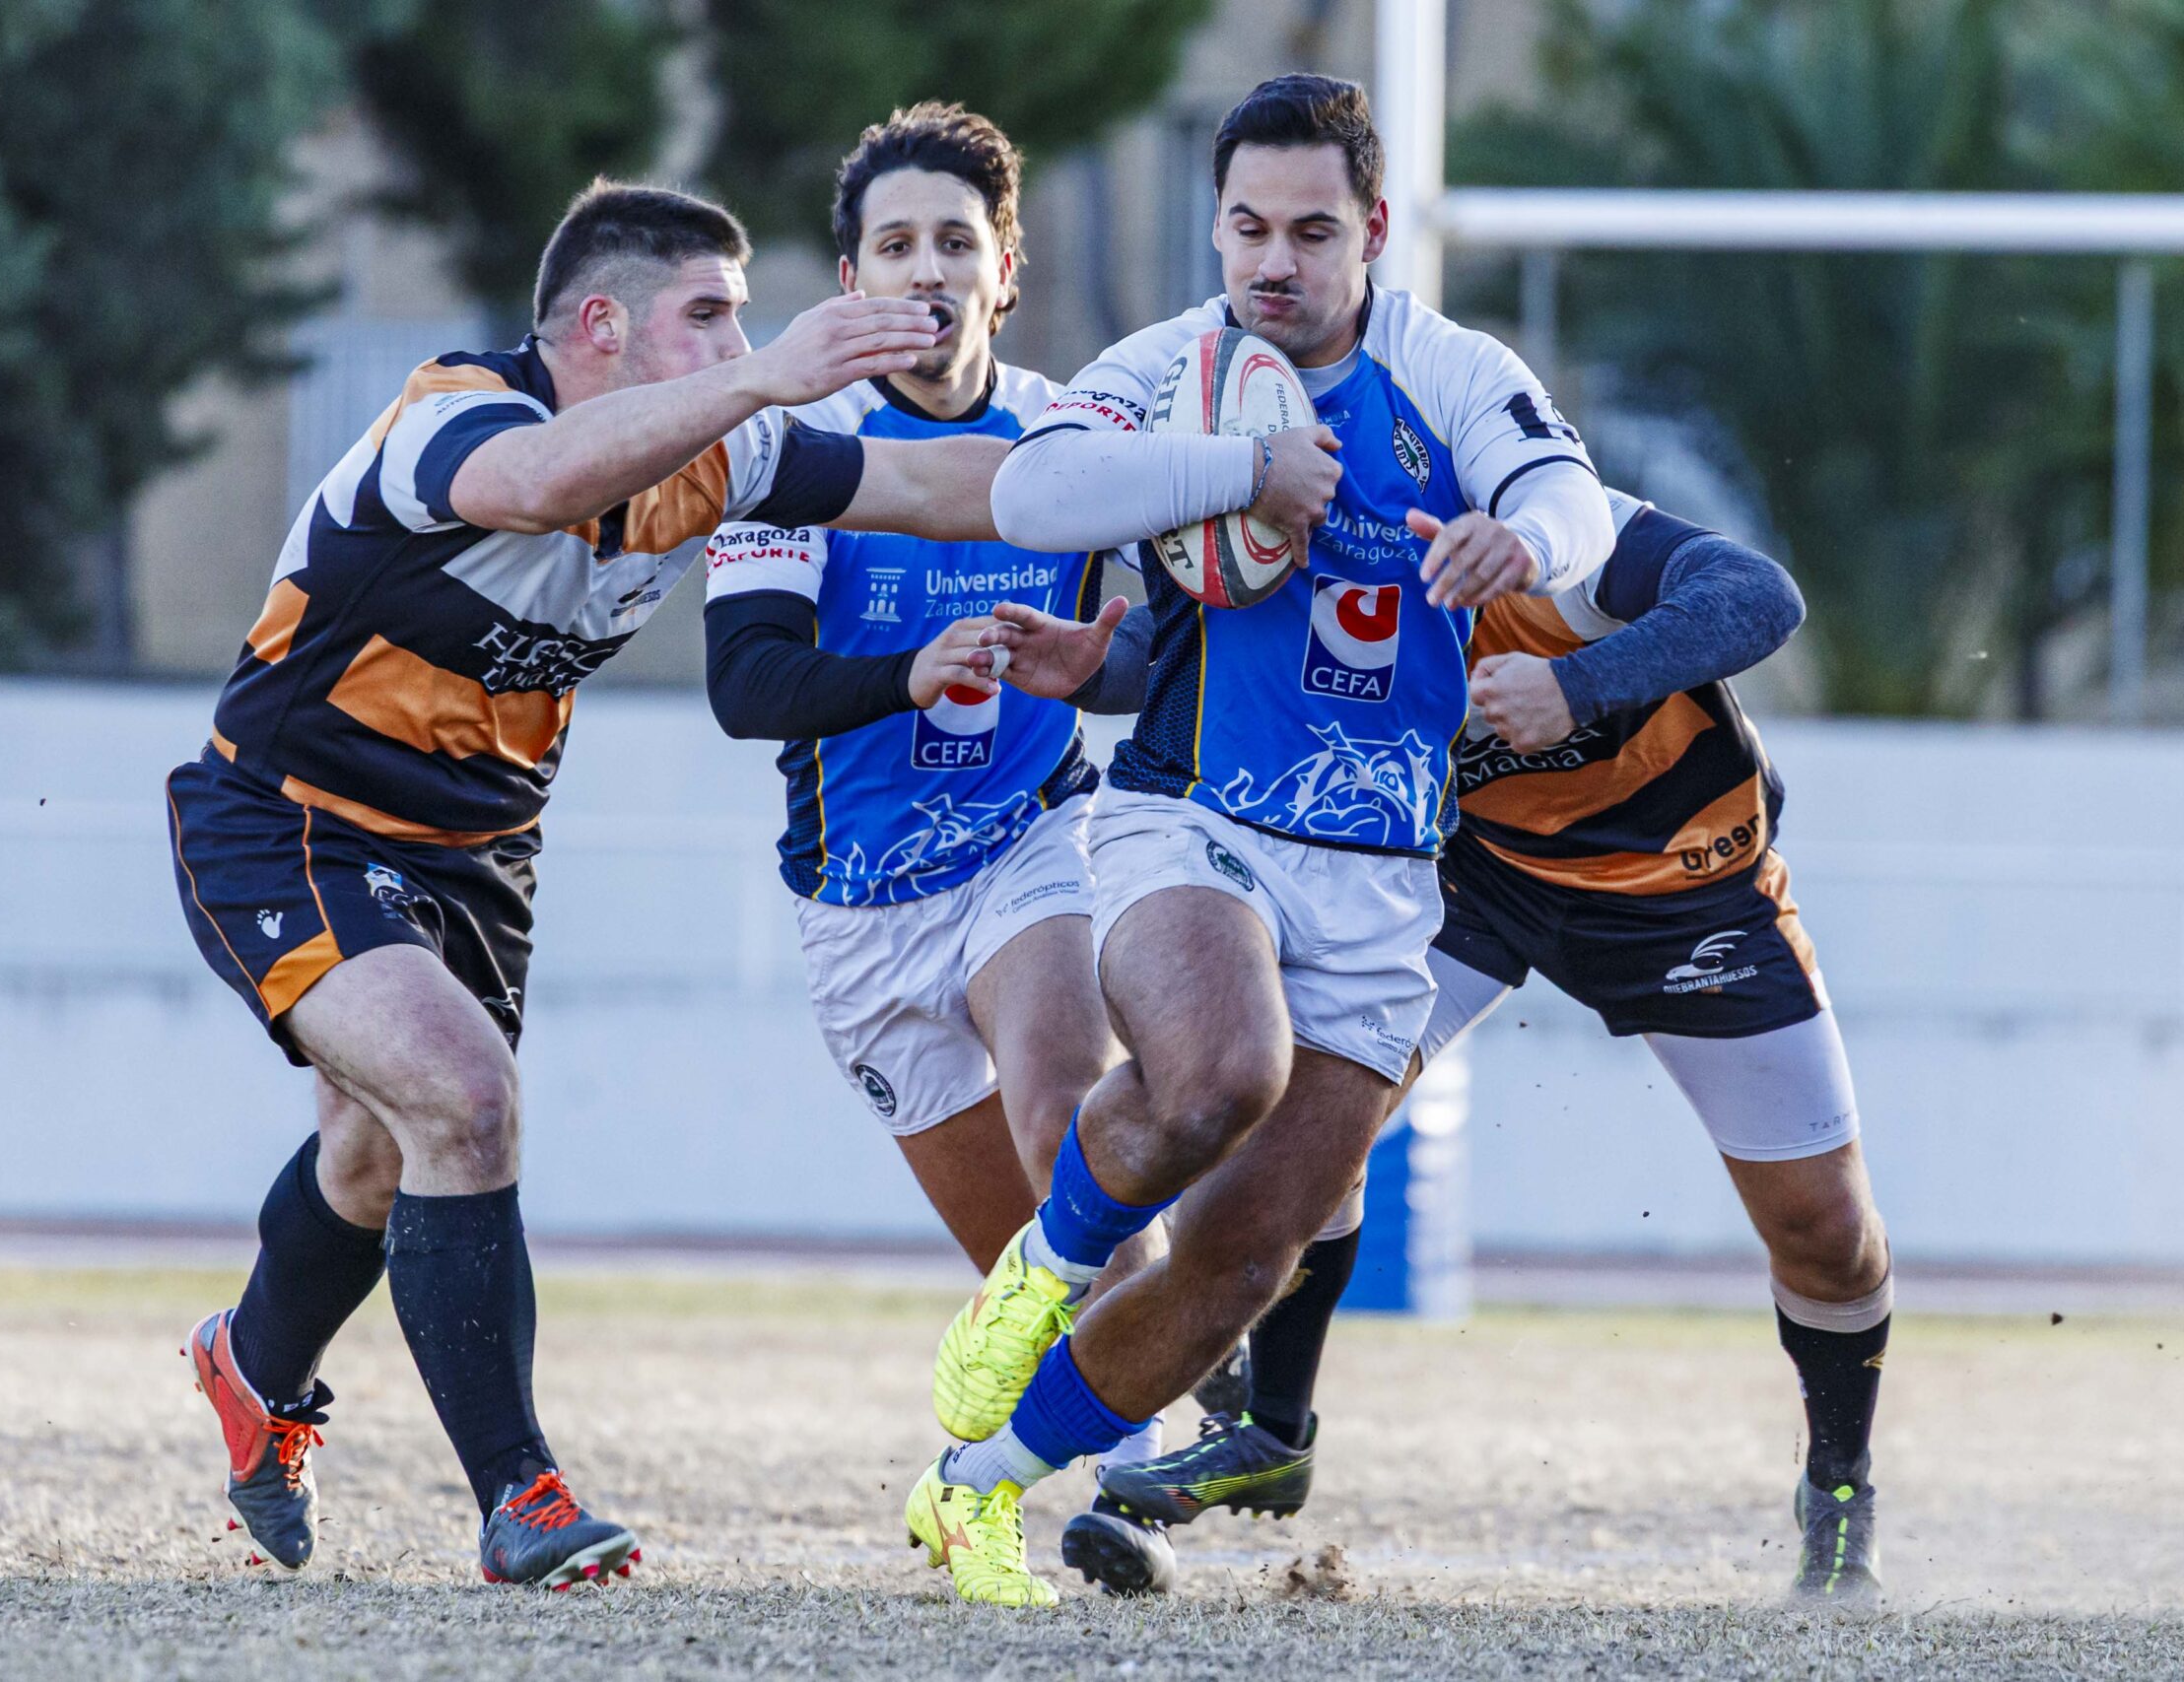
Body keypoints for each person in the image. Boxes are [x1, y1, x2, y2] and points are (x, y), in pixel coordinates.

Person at [171, 179, 1004, 1589]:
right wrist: (771, 370)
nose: (739, 337)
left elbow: (942, 487)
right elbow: (545, 483)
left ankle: (252, 1367)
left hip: (481, 853)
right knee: (465, 1098)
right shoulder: (451, 415)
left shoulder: (719, 457)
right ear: (600, 324)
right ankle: (523, 1496)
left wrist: (1194, 492)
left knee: (380, 1148)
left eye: (742, 315)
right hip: (292, 818)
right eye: (709, 315)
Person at [895, 75, 1615, 1607]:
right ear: (1215, 228)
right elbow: (1036, 486)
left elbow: (1577, 500)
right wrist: (1244, 470)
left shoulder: (1444, 367)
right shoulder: (1175, 368)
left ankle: (977, 1488)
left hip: (1382, 874)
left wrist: (1525, 538)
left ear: (1369, 232)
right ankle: (1040, 1275)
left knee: (1244, 1257)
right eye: (1244, 227)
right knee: (1223, 1068)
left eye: (1309, 230)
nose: (1272, 261)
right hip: (1189, 816)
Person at [1091, 489, 1897, 1602]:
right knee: (1299, 1129)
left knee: (1827, 1233)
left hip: (1688, 894)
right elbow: (1181, 659)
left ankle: (1839, 1484)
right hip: (1474, 882)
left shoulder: (1553, 533)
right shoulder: (1324, 547)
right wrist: (1079, 663)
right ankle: (1271, 1432)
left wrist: (1572, 685)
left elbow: (1760, 596)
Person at [699, 104, 1176, 1590]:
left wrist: (1099, 663)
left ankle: (1140, 1477)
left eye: (954, 242)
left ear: (1006, 268)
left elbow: (1150, 654)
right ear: (850, 278)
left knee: (1066, 1098)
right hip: (857, 910)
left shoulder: (1079, 438)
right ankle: (1012, 1469)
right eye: (894, 244)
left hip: (1033, 845)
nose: (927, 269)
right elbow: (744, 684)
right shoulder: (792, 448)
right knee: (1021, 1262)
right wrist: (903, 674)